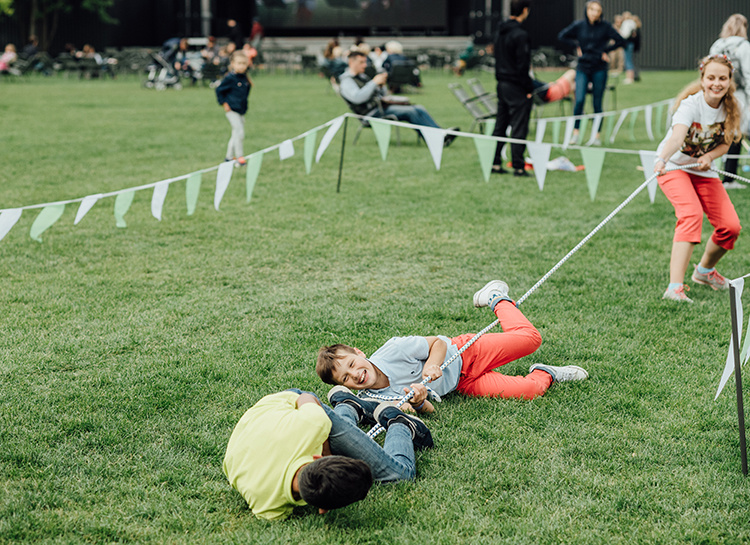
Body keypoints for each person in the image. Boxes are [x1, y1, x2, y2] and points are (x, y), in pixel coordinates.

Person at [317, 280, 589, 413]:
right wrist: (420, 401)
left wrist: (434, 364)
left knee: (530, 339)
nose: (355, 374)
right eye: (346, 378)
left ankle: (494, 297)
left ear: (359, 353)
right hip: (461, 384)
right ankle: (548, 372)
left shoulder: (393, 350)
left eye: (352, 364)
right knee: (530, 390)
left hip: (464, 352)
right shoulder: (372, 399)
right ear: (347, 386)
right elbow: (428, 411)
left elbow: (436, 342)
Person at [223, 388, 433, 520]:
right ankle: (400, 423)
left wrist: (327, 447)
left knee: (329, 427)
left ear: (318, 457)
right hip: (250, 430)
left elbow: (306, 398)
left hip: (294, 404)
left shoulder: (314, 423)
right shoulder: (266, 508)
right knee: (399, 475)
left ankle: (347, 407)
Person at [654, 54, 743, 303]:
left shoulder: (732, 109)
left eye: (722, 78)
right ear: (702, 80)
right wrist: (662, 159)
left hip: (703, 172)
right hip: (673, 167)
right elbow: (677, 137)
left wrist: (710, 156)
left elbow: (726, 144)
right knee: (691, 215)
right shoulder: (690, 105)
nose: (717, 83)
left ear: (729, 81)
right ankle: (674, 288)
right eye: (711, 78)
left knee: (730, 227)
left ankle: (704, 272)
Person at [339, 50, 459, 146]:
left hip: (381, 107)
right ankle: (435, 140)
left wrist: (381, 86)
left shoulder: (362, 76)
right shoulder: (346, 81)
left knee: (418, 107)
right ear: (351, 62)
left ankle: (441, 134)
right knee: (411, 111)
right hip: (370, 114)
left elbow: (381, 95)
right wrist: (374, 83)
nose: (365, 65)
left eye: (365, 62)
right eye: (361, 62)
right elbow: (358, 98)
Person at [558, 0, 625, 145]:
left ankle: (596, 136)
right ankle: (575, 134)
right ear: (587, 11)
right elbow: (562, 35)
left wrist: (605, 51)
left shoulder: (606, 27)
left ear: (601, 12)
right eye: (592, 10)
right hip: (583, 67)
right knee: (579, 100)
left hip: (599, 68)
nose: (594, 13)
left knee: (597, 103)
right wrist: (576, 45)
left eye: (597, 10)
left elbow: (621, 41)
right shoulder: (579, 25)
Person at [490, 0, 533, 176]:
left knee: (501, 125)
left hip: (501, 84)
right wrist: (529, 88)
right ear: (525, 11)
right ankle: (518, 166)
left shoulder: (499, 32)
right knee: (519, 126)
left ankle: (494, 163)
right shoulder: (520, 34)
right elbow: (523, 66)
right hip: (516, 85)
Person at [709, 14, 750, 189]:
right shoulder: (744, 46)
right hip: (740, 94)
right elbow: (749, 75)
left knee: (730, 132)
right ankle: (729, 178)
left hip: (720, 94)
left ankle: (727, 176)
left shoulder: (717, 45)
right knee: (737, 132)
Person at [215, 51, 252, 165]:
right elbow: (219, 90)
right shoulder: (230, 78)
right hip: (232, 110)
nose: (241, 66)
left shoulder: (245, 79)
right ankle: (239, 157)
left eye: (244, 63)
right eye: (239, 63)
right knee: (240, 132)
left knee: (235, 134)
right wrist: (224, 104)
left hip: (241, 110)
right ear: (233, 64)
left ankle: (228, 157)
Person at [619, 11, 640, 84]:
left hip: (627, 43)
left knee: (628, 61)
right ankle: (632, 77)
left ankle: (629, 78)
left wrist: (619, 33)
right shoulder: (633, 23)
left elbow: (625, 34)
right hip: (632, 44)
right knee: (630, 60)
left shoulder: (626, 23)